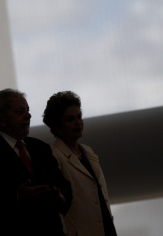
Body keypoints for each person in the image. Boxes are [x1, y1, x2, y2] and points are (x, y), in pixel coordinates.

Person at [0, 88, 72, 236]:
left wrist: (60, 196)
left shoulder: (41, 148)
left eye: (27, 110)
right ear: (1, 119)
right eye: (20, 112)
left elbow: (63, 185)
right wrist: (16, 196)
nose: (28, 115)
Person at [43, 91, 117, 236]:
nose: (78, 123)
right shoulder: (54, 157)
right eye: (70, 119)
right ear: (56, 126)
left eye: (79, 117)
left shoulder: (88, 151)